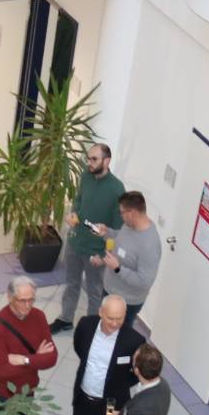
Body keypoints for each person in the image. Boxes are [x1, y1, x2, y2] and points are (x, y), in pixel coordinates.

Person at [67, 296, 144, 415]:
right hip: (83, 398)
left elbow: (135, 375)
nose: (115, 324)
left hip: (111, 404)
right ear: (101, 312)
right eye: (111, 318)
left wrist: (119, 384)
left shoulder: (134, 341)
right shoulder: (86, 325)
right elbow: (80, 349)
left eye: (120, 318)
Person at [50, 143, 120, 335]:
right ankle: (65, 318)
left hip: (95, 251)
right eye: (88, 159)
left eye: (94, 159)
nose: (89, 163)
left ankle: (91, 327)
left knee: (94, 292)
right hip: (75, 243)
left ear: (107, 161)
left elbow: (116, 230)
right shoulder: (85, 176)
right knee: (71, 283)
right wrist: (73, 213)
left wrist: (104, 254)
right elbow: (79, 200)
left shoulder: (117, 189)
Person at [0, 277, 58, 415]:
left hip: (27, 391)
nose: (27, 305)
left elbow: (52, 357)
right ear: (10, 298)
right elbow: (2, 371)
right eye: (22, 300)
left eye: (31, 299)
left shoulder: (39, 316)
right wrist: (36, 358)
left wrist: (25, 360)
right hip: (2, 394)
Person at [97, 190, 163, 319]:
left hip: (127, 302)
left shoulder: (150, 245)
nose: (121, 216)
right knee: (102, 330)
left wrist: (118, 268)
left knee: (117, 336)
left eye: (122, 212)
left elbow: (145, 281)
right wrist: (107, 232)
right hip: (110, 290)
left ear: (132, 213)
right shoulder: (129, 225)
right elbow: (121, 237)